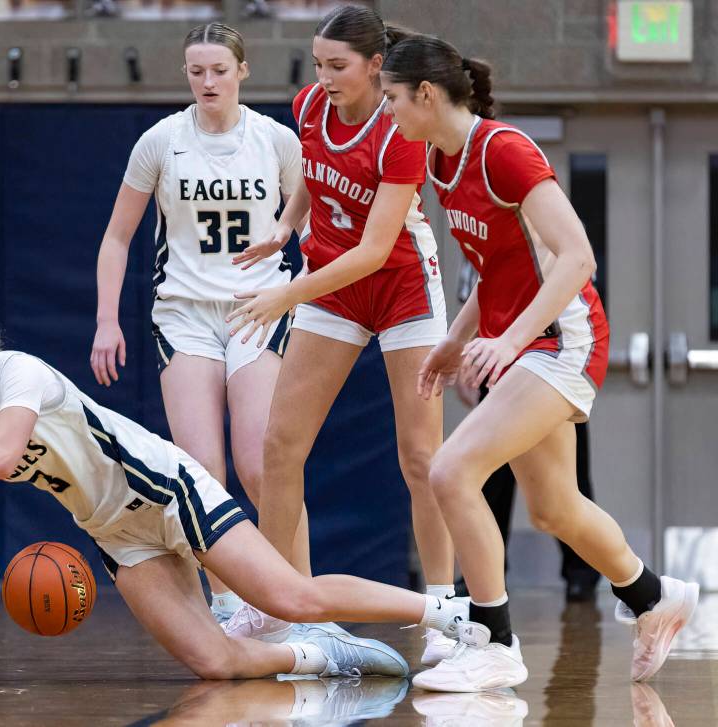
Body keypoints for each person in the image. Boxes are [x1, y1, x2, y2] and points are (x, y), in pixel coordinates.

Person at [0, 276, 469, 681]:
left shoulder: (22, 376)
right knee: (214, 662)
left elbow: (5, 456)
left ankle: (451, 615)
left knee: (290, 594)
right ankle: (316, 656)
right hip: (115, 532)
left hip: (165, 491)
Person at [379, 34, 698, 691]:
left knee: (450, 469)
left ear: (427, 95)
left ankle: (493, 638)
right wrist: (458, 335)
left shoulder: (505, 151)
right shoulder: (441, 163)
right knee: (553, 507)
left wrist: (508, 338)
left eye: (391, 99)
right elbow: (494, 267)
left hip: (563, 339)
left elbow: (578, 256)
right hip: (520, 341)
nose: (388, 113)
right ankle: (654, 596)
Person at [224, 5, 456, 665]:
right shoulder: (309, 106)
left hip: (401, 285)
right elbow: (311, 173)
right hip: (331, 282)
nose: (323, 76)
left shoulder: (399, 131)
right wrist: (283, 225)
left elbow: (377, 250)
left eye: (338, 66)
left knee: (421, 459)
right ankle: (272, 601)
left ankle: (442, 608)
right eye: (318, 63)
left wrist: (285, 291)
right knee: (279, 446)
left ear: (377, 66)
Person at [91, 22, 311, 623]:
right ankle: (231, 604)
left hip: (257, 309)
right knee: (201, 472)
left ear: (242, 71)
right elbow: (116, 238)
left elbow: (309, 225)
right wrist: (107, 320)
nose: (207, 81)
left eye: (218, 70)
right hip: (184, 314)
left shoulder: (275, 140)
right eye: (196, 71)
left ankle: (303, 599)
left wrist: (305, 289)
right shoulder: (161, 141)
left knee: (262, 465)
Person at [455, 258, 601, 603]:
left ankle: (590, 572)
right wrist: (463, 350)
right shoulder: (480, 224)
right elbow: (478, 292)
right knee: (488, 476)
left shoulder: (551, 227)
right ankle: (486, 579)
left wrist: (517, 340)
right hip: (498, 362)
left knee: (565, 487)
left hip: (551, 363)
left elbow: (579, 273)